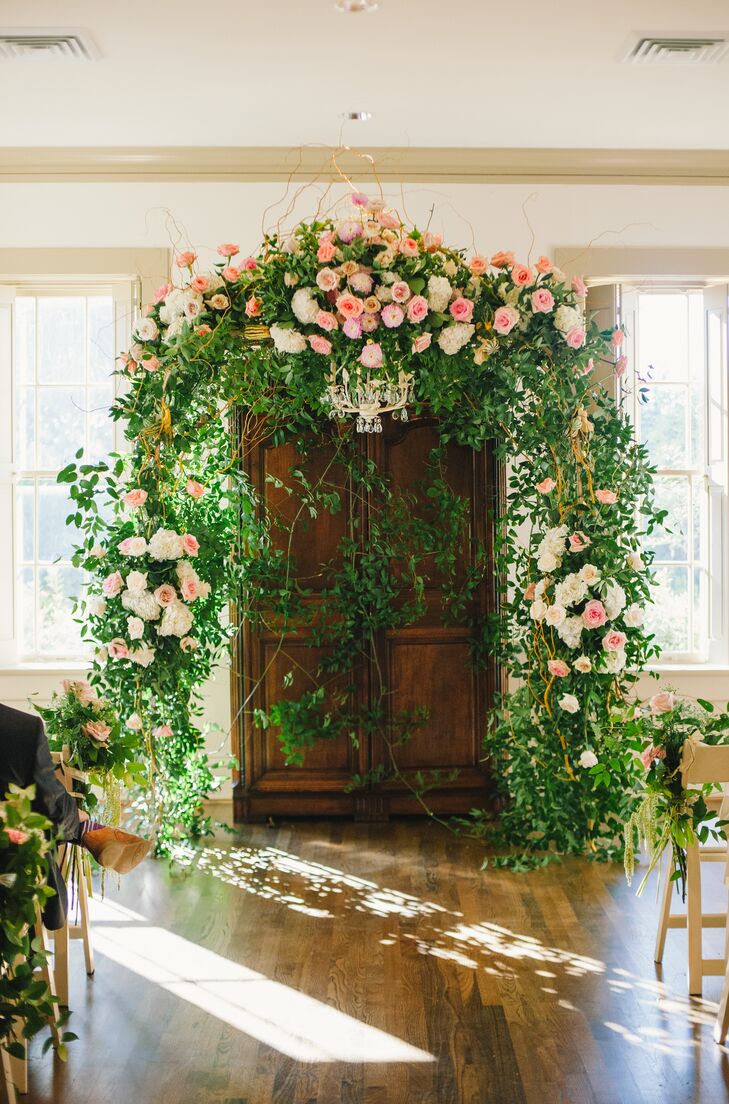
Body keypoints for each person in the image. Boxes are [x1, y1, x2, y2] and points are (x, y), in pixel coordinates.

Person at [0, 701, 152, 929]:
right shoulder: (19, 728)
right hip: (9, 885)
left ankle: (89, 832)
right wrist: (75, 815)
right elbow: (49, 805)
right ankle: (88, 830)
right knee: (42, 813)